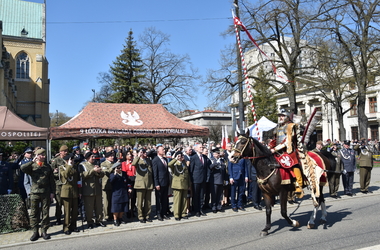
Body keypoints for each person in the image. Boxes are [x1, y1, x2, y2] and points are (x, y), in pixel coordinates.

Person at [20, 148, 55, 241]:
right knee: (34, 213)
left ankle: (44, 231)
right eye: (41, 155)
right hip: (34, 193)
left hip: (45, 192)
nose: (44, 156)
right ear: (37, 156)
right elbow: (22, 168)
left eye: (44, 155)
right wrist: (32, 161)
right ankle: (35, 232)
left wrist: (52, 193)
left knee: (45, 213)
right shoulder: (32, 166)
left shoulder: (47, 166)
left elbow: (52, 181)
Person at [269, 109, 304, 198]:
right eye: (279, 116)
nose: (280, 117)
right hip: (277, 151)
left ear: (287, 117)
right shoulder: (277, 127)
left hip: (289, 150)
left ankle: (298, 185)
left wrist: (275, 149)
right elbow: (274, 140)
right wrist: (269, 147)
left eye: (282, 116)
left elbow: (287, 141)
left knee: (293, 164)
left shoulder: (291, 126)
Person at [80, 152, 106, 229]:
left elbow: (102, 175)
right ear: (87, 158)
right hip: (88, 190)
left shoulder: (96, 164)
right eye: (92, 157)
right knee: (89, 208)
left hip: (97, 189)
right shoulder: (83, 165)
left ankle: (99, 220)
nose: (94, 158)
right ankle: (89, 222)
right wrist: (93, 170)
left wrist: (99, 171)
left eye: (94, 157)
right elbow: (82, 175)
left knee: (99, 207)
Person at [59, 154, 80, 235]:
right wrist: (69, 165)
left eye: (73, 160)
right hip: (66, 192)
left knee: (74, 211)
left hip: (74, 192)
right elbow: (65, 175)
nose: (73, 161)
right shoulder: (62, 167)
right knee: (67, 212)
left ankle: (73, 226)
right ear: (67, 160)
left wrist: (79, 191)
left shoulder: (74, 167)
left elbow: (77, 179)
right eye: (71, 160)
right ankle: (66, 227)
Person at [132, 148, 154, 223]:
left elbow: (150, 171)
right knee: (140, 202)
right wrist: (138, 156)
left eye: (145, 152)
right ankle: (140, 216)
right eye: (143, 152)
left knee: (148, 202)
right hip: (140, 184)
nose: (144, 153)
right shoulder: (138, 160)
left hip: (148, 183)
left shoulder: (148, 160)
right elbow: (133, 164)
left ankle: (147, 215)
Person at [168, 151, 191, 221]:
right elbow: (169, 164)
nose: (182, 157)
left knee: (184, 200)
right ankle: (177, 214)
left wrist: (189, 184)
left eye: (182, 156)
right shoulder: (175, 164)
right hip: (177, 185)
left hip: (184, 184)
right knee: (177, 200)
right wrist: (175, 158)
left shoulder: (184, 163)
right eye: (180, 156)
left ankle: (183, 213)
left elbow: (187, 175)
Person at [51, 145, 69, 225]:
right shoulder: (56, 160)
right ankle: (58, 218)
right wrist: (56, 173)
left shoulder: (68, 160)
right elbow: (51, 173)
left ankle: (67, 217)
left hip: (67, 183)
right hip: (58, 184)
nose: (66, 152)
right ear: (60, 152)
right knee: (59, 202)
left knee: (66, 202)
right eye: (64, 151)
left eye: (67, 151)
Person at [109, 162, 132, 226]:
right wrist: (115, 174)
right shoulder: (112, 175)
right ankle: (115, 219)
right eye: (118, 168)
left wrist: (129, 188)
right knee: (116, 207)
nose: (120, 169)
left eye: (120, 167)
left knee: (123, 206)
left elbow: (128, 182)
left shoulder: (124, 174)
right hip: (116, 193)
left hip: (124, 192)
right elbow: (111, 181)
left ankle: (120, 218)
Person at [189, 144, 209, 217]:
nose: (202, 148)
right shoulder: (193, 157)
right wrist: (191, 180)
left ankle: (201, 209)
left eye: (202, 147)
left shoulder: (204, 157)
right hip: (196, 180)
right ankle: (196, 210)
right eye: (200, 147)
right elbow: (191, 170)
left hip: (203, 179)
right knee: (196, 195)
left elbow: (206, 168)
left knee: (201, 195)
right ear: (196, 149)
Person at [152, 145, 171, 221]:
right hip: (159, 183)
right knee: (158, 199)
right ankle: (159, 214)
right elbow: (155, 173)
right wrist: (156, 183)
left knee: (164, 199)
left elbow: (166, 172)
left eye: (164, 150)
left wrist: (168, 182)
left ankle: (164, 213)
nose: (164, 151)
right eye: (162, 150)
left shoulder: (165, 160)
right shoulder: (155, 160)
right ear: (158, 151)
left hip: (165, 182)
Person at [208, 149, 227, 213]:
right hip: (214, 180)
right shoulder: (211, 160)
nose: (218, 155)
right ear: (213, 154)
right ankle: (214, 206)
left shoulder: (222, 160)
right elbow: (210, 167)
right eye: (216, 154)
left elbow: (224, 170)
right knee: (214, 194)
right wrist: (216, 163)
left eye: (218, 154)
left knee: (220, 194)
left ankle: (219, 206)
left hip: (221, 179)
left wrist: (225, 179)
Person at [100, 150, 115, 222]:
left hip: (113, 185)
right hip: (106, 185)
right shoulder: (103, 164)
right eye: (111, 156)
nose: (112, 157)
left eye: (113, 156)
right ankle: (106, 215)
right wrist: (113, 168)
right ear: (107, 157)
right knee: (106, 202)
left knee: (112, 201)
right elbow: (106, 172)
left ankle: (112, 214)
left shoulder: (114, 163)